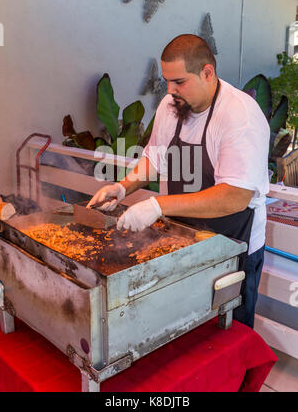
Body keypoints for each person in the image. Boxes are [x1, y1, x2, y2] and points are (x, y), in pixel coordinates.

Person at [88, 34, 270, 329]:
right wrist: (122, 187)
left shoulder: (239, 116)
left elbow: (234, 196)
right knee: (180, 327)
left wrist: (158, 205)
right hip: (180, 240)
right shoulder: (170, 105)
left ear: (207, 73)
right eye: (167, 81)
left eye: (179, 82)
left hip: (232, 246)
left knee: (225, 332)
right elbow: (154, 158)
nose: (170, 90)